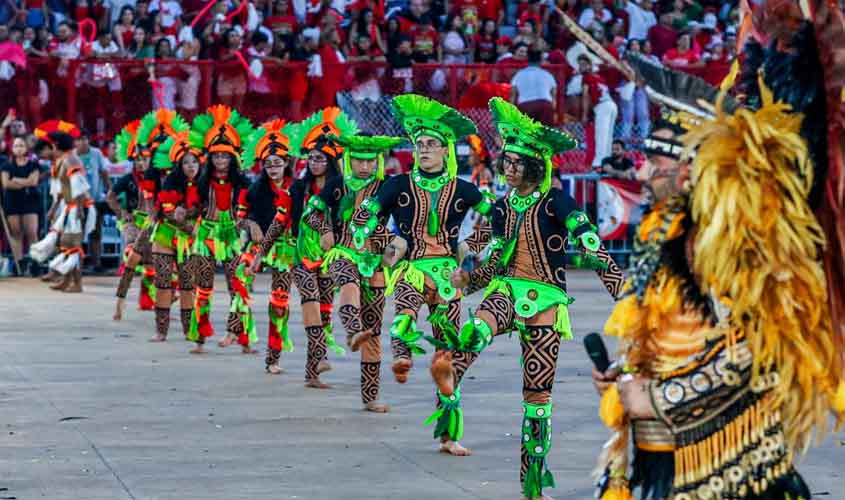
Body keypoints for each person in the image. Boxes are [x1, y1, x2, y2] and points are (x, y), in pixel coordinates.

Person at [593, 4, 845, 496]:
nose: (643, 173)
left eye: (657, 160)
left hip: (730, 472)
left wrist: (659, 397)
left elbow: (767, 350)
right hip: (662, 463)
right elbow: (676, 334)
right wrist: (625, 375)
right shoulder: (663, 232)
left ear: (691, 167)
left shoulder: (733, 242)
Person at [441, 97, 623, 500]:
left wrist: (620, 289)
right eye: (506, 161)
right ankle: (453, 367)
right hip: (506, 290)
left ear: (536, 167)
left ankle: (532, 482)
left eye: (516, 163)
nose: (508, 168)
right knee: (477, 329)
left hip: (546, 300)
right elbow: (489, 260)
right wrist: (465, 281)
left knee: (537, 399)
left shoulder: (559, 201)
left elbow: (592, 247)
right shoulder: (502, 208)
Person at [349, 94, 493, 456]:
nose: (425, 150)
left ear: (446, 151)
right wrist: (384, 242)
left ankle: (448, 436)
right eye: (420, 145)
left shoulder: (464, 188)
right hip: (412, 269)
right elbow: (364, 217)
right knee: (404, 316)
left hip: (448, 276)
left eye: (432, 145)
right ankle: (401, 356)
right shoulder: (397, 184)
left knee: (447, 359)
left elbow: (500, 217)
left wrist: (472, 250)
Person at [299, 132, 402, 411]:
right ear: (349, 160)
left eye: (370, 161)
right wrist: (325, 229)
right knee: (348, 284)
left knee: (374, 330)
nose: (364, 167)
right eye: (358, 160)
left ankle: (370, 397)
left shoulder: (387, 187)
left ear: (378, 161)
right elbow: (310, 213)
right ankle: (352, 330)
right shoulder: (336, 185)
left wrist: (394, 247)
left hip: (375, 258)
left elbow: (405, 220)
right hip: (342, 252)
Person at [283, 107, 356, 388]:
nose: (314, 163)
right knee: (310, 300)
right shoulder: (298, 189)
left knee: (325, 310)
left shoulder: (343, 191)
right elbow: (282, 220)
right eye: (311, 158)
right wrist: (259, 252)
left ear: (331, 161)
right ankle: (321, 354)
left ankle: (311, 374)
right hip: (301, 256)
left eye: (320, 158)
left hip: (329, 256)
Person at [186, 104, 255, 355]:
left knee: (237, 285)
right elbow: (193, 208)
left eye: (225, 156)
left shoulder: (244, 183)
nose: (220, 160)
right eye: (216, 156)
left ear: (233, 158)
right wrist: (185, 215)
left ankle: (240, 336)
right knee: (203, 287)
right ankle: (200, 338)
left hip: (231, 235)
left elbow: (252, 209)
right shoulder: (202, 182)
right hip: (206, 234)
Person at [238, 119, 298, 374]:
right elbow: (240, 219)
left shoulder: (298, 188)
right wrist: (250, 223)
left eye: (278, 163)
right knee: (244, 278)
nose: (273, 168)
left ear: (287, 164)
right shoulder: (254, 189)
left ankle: (282, 358)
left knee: (285, 302)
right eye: (268, 164)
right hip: (263, 245)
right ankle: (249, 340)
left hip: (291, 248)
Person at [147, 130, 203, 342]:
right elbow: (169, 214)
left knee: (188, 285)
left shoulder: (204, 185)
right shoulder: (170, 182)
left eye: (194, 162)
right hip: (165, 237)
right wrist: (188, 221)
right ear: (179, 165)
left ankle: (189, 330)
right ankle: (161, 331)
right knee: (162, 283)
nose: (191, 166)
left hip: (189, 242)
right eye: (186, 162)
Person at [29, 131, 95, 292]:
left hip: (79, 206)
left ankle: (77, 284)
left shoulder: (70, 159)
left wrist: (79, 209)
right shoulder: (62, 161)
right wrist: (54, 208)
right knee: (65, 243)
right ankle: (66, 280)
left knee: (72, 244)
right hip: (70, 207)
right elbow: (61, 190)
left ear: (55, 145)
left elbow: (78, 186)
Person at [1, 137, 41, 276]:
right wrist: (26, 182)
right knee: (16, 233)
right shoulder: (7, 165)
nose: (19, 148)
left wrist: (17, 180)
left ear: (26, 148)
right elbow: (6, 184)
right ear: (12, 148)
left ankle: (35, 263)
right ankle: (19, 265)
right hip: (12, 202)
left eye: (21, 145)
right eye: (16, 145)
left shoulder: (33, 165)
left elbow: (34, 181)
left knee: (32, 233)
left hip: (30, 201)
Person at [76, 129, 111, 272]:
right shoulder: (72, 156)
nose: (82, 142)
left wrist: (110, 191)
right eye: (79, 139)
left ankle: (96, 264)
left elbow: (104, 173)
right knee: (77, 233)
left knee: (96, 231)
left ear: (88, 139)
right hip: (77, 201)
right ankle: (78, 265)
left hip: (95, 199)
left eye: (84, 138)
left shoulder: (96, 153)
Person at [510, 50, 557, 125]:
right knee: (545, 133)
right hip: (545, 105)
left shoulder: (518, 75)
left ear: (527, 59)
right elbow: (554, 95)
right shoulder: (547, 74)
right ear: (540, 60)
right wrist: (553, 111)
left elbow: (512, 96)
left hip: (525, 105)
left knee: (527, 134)